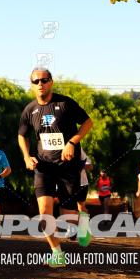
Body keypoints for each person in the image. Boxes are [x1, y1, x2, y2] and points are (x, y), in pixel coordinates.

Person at [18, 68, 93, 268]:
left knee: (68, 216)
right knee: (44, 213)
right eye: (36, 81)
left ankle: (83, 222)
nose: (40, 84)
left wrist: (72, 142)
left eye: (44, 80)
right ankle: (57, 253)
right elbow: (22, 135)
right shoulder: (29, 110)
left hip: (67, 166)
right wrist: (27, 156)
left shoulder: (65, 103)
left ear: (51, 82)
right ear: (32, 85)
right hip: (43, 167)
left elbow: (87, 122)